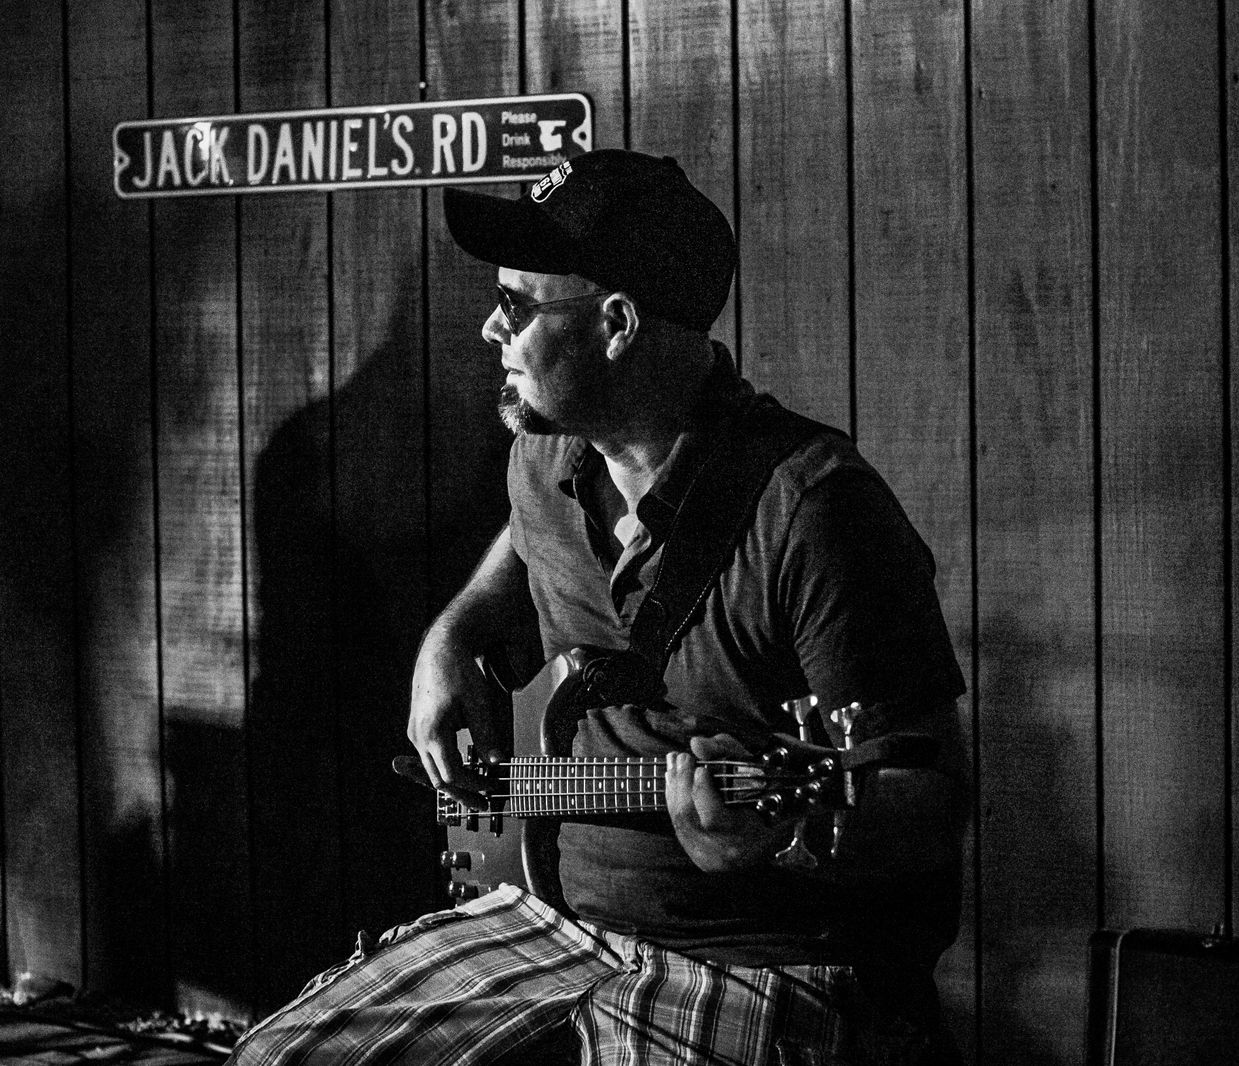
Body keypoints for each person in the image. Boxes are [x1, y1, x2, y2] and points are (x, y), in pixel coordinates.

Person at [226, 150, 969, 1065]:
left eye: (517, 306)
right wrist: (452, 635)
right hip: (550, 915)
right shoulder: (545, 455)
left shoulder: (817, 514)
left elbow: (929, 799)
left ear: (617, 325)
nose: (490, 328)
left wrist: (780, 844)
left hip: (758, 957)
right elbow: (525, 539)